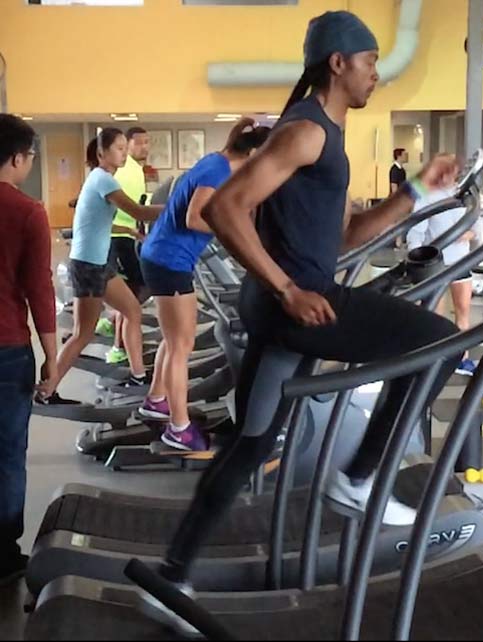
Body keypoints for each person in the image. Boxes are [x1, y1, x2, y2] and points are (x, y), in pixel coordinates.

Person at [142, 11, 461, 627]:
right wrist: (287, 288)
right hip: (293, 308)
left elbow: (341, 239)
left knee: (250, 443)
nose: (376, 75)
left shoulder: (326, 138)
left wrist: (416, 191)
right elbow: (230, 209)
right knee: (442, 343)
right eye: (370, 63)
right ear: (338, 64)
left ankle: (170, 575)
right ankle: (360, 477)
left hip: (278, 312)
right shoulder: (307, 131)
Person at [138, 119, 270, 452]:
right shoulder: (218, 172)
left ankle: (157, 400)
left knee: (175, 340)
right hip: (169, 260)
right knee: (182, 345)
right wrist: (232, 227)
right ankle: (178, 429)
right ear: (253, 153)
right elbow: (194, 218)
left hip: (165, 257)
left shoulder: (217, 161)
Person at [37, 128, 163, 404]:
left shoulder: (100, 180)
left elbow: (97, 221)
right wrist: (179, 206)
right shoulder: (103, 180)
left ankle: (138, 374)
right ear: (101, 153)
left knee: (132, 310)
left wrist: (129, 232)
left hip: (99, 263)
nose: (123, 152)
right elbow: (138, 211)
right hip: (89, 266)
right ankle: (47, 390)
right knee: (83, 333)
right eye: (118, 148)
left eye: (123, 148)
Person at [0, 115, 57, 584]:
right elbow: (39, 290)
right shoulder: (27, 211)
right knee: (6, 455)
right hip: (7, 349)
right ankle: (2, 552)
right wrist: (53, 356)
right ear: (17, 158)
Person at [406, 159, 478, 376]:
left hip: (460, 261)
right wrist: (416, 261)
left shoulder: (465, 195)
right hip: (435, 262)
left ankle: (462, 359)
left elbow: (475, 228)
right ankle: (431, 358)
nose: (449, 175)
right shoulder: (426, 197)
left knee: (463, 311)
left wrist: (464, 234)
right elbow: (416, 231)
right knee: (433, 314)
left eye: (453, 170)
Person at [102, 126, 151, 365]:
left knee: (134, 291)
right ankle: (115, 337)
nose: (145, 147)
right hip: (116, 238)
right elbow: (135, 208)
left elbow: (139, 204)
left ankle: (112, 325)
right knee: (134, 293)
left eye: (147, 142)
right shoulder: (120, 172)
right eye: (139, 143)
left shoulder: (135, 171)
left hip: (125, 235)